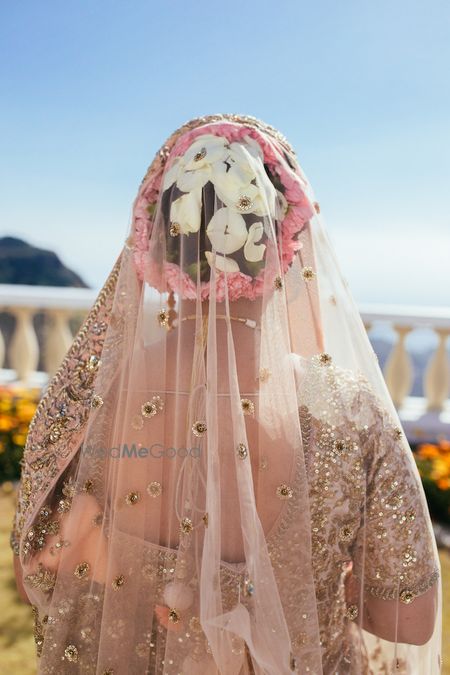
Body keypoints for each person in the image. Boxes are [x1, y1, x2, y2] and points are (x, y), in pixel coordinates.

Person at [11, 113, 442, 674]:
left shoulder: (93, 393)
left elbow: (33, 576)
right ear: (288, 244)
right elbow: (410, 621)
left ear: (160, 247)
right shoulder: (348, 409)